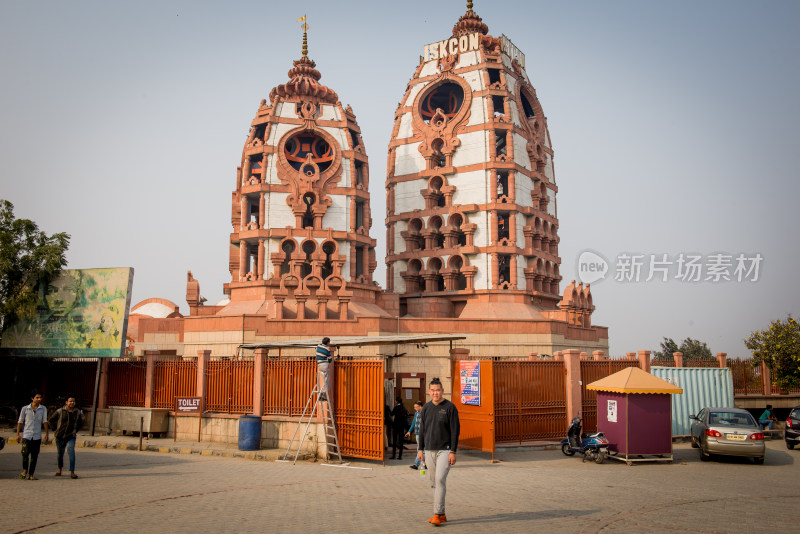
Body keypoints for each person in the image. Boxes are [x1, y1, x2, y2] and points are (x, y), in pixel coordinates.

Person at [417, 377, 460, 526]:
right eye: (433, 391)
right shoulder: (427, 408)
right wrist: (420, 449)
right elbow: (422, 430)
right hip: (428, 450)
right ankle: (441, 513)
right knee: (434, 482)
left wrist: (453, 451)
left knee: (440, 479)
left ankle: (437, 514)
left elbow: (455, 431)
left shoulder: (450, 407)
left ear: (442, 391)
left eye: (438, 390)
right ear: (429, 392)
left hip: (445, 450)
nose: (436, 393)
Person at [49, 395, 85, 479]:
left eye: (73, 401)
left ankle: (72, 471)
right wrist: (55, 429)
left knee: (71, 451)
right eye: (70, 401)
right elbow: (51, 420)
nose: (72, 403)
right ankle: (59, 468)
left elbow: (81, 422)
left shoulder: (78, 412)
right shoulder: (60, 411)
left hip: (71, 436)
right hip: (60, 435)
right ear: (66, 402)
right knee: (60, 453)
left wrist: (75, 430)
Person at [16, 389, 49, 480]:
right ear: (32, 398)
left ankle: (31, 474)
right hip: (27, 435)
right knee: (25, 454)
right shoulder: (25, 409)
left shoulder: (43, 409)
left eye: (40, 397)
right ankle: (24, 470)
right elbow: (20, 421)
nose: (39, 399)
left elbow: (45, 421)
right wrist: (18, 434)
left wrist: (46, 433)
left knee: (34, 456)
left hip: (37, 436)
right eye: (37, 397)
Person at [406, 400, 424, 469]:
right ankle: (424, 464)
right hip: (417, 433)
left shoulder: (425, 413)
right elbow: (413, 423)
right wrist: (409, 431)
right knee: (421, 449)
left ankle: (416, 464)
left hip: (423, 434)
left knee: (421, 449)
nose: (415, 408)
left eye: (416, 407)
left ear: (420, 406)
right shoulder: (416, 413)